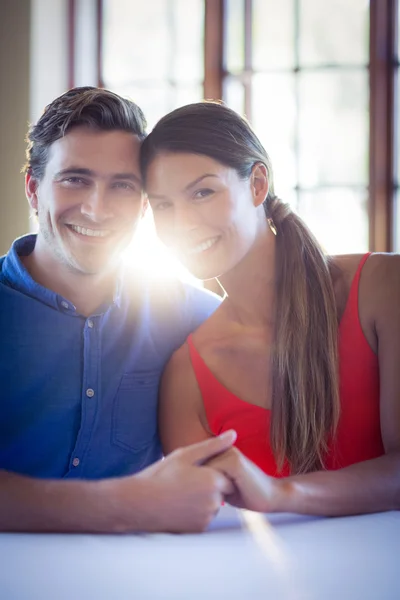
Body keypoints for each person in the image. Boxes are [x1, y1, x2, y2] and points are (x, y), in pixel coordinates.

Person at [140, 100, 400, 517]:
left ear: (258, 184)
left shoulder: (383, 287)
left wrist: (283, 494)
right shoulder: (186, 377)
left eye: (203, 192)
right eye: (163, 206)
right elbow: (207, 524)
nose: (182, 222)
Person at [0, 87, 238, 534]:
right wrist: (126, 503)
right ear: (34, 190)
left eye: (122, 186)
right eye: (75, 179)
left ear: (144, 203)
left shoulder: (188, 314)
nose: (97, 208)